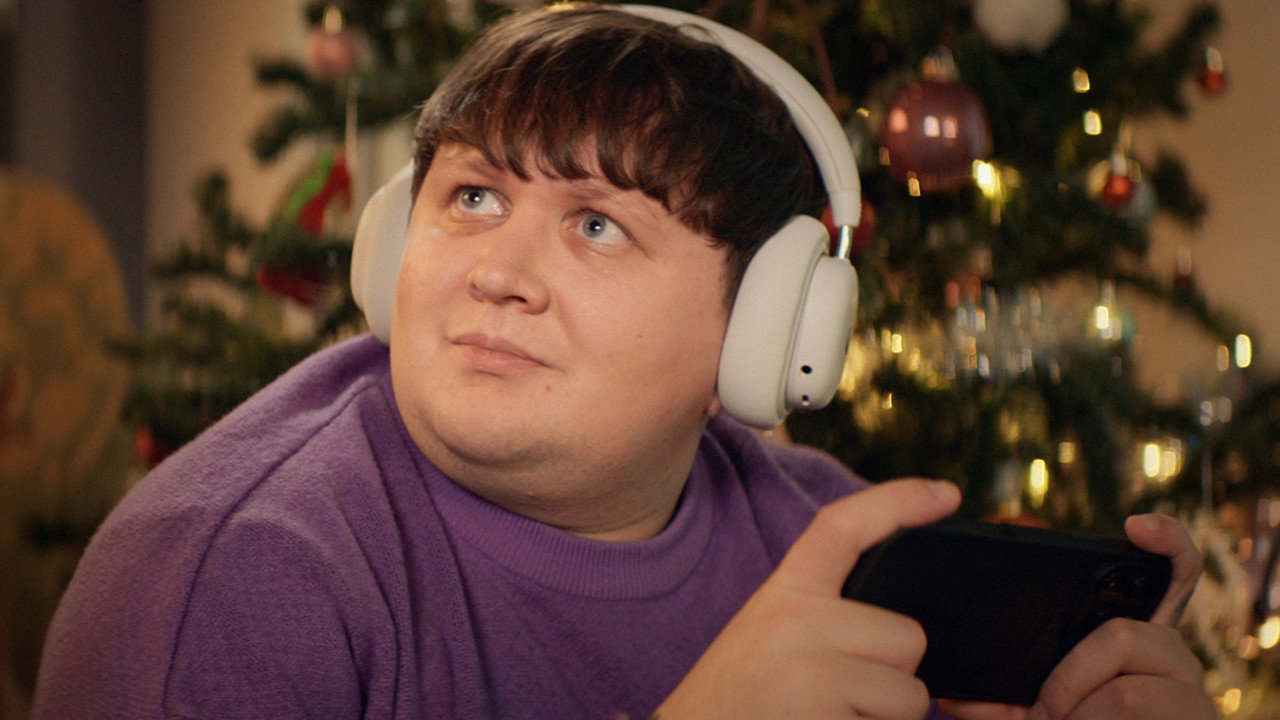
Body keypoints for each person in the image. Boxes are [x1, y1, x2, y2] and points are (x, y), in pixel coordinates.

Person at [34, 5, 1213, 720]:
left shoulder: (822, 545)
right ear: (390, 244)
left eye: (597, 224)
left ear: (763, 333)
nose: (498, 272)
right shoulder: (229, 582)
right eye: (473, 196)